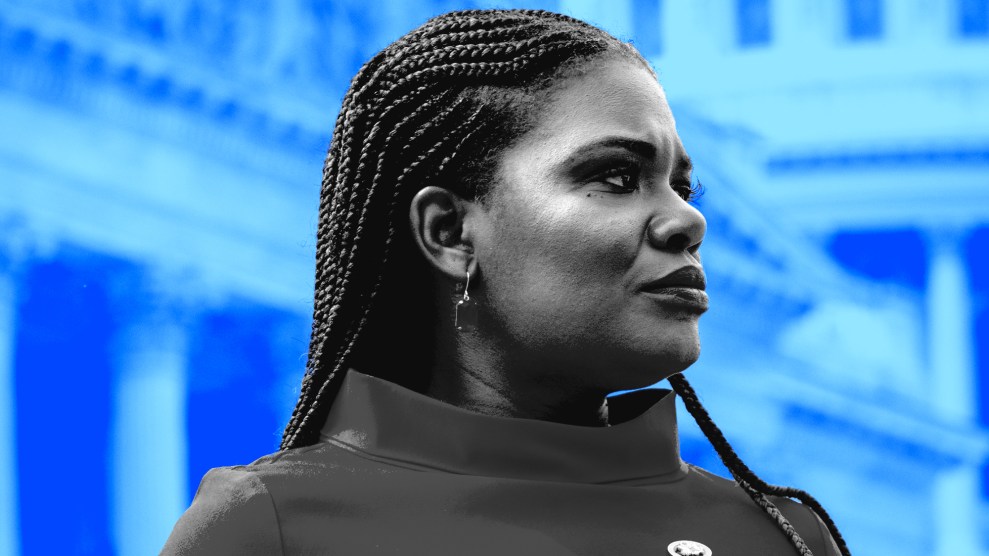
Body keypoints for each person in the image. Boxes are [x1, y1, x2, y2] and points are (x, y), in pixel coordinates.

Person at [163, 9, 849, 556]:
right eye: (615, 176)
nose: (685, 219)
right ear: (450, 233)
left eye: (681, 185)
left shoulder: (781, 536)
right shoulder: (271, 527)